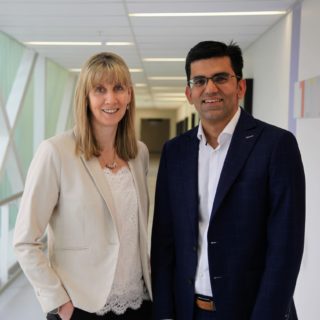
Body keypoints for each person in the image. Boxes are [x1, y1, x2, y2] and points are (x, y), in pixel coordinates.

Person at [151, 40, 305, 320]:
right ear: (189, 93)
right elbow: (164, 242)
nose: (210, 88)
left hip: (252, 312)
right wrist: (164, 313)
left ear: (240, 86)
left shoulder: (276, 145)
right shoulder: (175, 152)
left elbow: (286, 248)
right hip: (189, 311)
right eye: (200, 81)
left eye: (221, 78)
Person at [13, 52, 152, 320]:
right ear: (85, 97)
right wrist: (59, 302)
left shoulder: (139, 154)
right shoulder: (55, 152)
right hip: (81, 306)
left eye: (118, 88)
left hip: (137, 302)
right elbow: (24, 240)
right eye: (100, 89)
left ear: (129, 95)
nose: (111, 99)